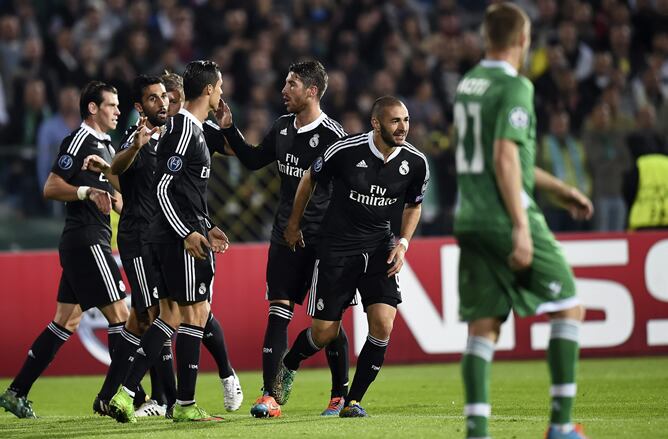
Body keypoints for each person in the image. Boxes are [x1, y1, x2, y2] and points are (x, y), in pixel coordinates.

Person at [452, 3, 593, 439]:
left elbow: (507, 157)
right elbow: (505, 157)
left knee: (485, 324)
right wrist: (520, 224)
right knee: (569, 305)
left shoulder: (468, 85)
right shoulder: (516, 87)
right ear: (522, 40)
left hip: (469, 217)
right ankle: (561, 426)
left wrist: (560, 190)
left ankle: (477, 431)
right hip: (503, 215)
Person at [279, 95, 429, 418]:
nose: (403, 127)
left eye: (406, 120)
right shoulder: (345, 151)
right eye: (395, 121)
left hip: (379, 249)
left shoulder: (415, 163)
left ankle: (353, 401)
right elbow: (309, 178)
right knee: (323, 333)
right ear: (376, 123)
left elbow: (414, 204)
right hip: (338, 249)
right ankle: (290, 363)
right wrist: (293, 224)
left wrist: (403, 243)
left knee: (383, 324)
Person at [218, 60, 350, 418]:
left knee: (328, 321)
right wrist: (229, 130)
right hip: (284, 237)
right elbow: (253, 160)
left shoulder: (334, 137)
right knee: (278, 314)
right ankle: (269, 396)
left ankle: (340, 396)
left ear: (311, 91)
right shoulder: (281, 128)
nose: (283, 90)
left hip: (323, 241)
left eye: (291, 84)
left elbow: (350, 190)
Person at [108, 60, 230, 423]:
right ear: (208, 89)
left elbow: (186, 191)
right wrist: (189, 232)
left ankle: (125, 393)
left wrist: (206, 225)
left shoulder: (186, 128)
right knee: (194, 314)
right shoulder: (184, 129)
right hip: (178, 238)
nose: (222, 93)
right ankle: (186, 406)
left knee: (170, 317)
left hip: (177, 233)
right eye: (219, 87)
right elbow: (164, 187)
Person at [0, 81, 129, 418]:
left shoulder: (105, 145)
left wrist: (115, 200)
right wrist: (86, 192)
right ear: (92, 108)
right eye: (112, 105)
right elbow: (51, 186)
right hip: (86, 241)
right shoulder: (79, 140)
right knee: (122, 318)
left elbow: (113, 198)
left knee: (66, 320)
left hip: (87, 241)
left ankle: (16, 392)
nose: (118, 110)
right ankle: (118, 396)